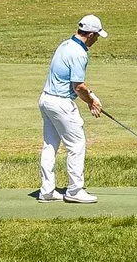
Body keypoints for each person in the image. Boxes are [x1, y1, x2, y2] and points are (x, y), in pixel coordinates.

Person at [38, 14, 107, 203]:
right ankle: (75, 191)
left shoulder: (65, 45)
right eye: (97, 36)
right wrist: (91, 102)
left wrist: (91, 95)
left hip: (46, 99)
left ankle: (47, 191)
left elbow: (77, 86)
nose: (97, 40)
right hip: (61, 103)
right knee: (76, 145)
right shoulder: (79, 53)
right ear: (90, 35)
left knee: (50, 145)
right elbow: (78, 86)